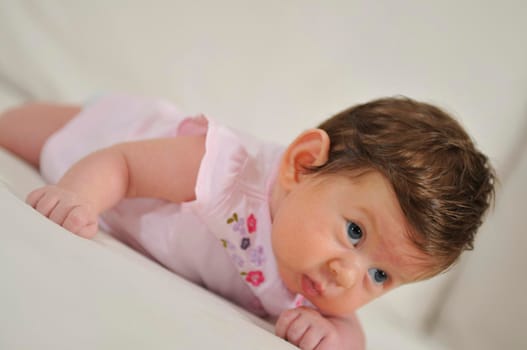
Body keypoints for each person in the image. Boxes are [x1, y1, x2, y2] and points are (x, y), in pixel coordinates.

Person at [0, 94, 495, 349]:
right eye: (355, 233)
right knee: (26, 131)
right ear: (302, 165)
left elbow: (351, 334)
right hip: (109, 144)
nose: (348, 275)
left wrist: (332, 339)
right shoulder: (225, 170)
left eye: (381, 276)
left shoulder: (317, 287)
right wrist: (76, 197)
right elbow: (122, 165)